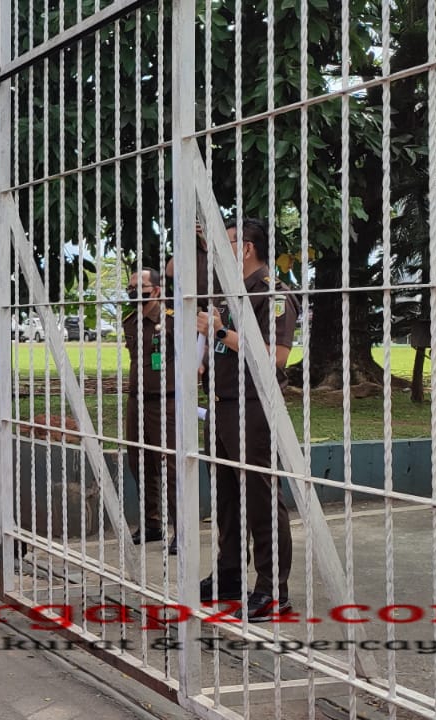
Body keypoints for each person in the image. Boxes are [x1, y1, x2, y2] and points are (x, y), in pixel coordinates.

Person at [194, 218, 301, 622]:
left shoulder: (272, 294)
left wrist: (222, 333)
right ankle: (229, 575)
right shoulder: (231, 293)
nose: (221, 248)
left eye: (228, 241)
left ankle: (273, 588)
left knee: (260, 498)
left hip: (254, 406)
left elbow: (276, 358)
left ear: (248, 248)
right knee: (225, 497)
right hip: (221, 404)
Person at [121, 268, 179, 553]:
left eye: (139, 286)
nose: (133, 291)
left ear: (156, 290)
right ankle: (152, 523)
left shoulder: (173, 320)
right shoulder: (130, 322)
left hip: (166, 399)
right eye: (130, 286)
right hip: (137, 400)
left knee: (169, 464)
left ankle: (181, 527)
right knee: (139, 462)